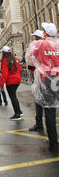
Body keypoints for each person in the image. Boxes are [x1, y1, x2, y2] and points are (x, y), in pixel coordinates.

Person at [26, 22, 59, 153]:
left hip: (47, 79)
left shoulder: (41, 44)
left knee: (50, 110)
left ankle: (54, 145)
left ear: (44, 33)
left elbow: (29, 59)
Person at [27, 29, 45, 132]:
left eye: (34, 36)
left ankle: (39, 123)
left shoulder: (35, 45)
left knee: (38, 100)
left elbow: (30, 61)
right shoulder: (49, 44)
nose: (33, 37)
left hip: (39, 76)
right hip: (50, 77)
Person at [0, 46, 23, 120]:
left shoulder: (5, 60)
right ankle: (19, 111)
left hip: (10, 81)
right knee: (14, 96)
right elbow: (20, 69)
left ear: (3, 52)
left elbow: (5, 73)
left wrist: (2, 83)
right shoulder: (15, 59)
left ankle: (17, 114)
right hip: (17, 80)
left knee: (13, 97)